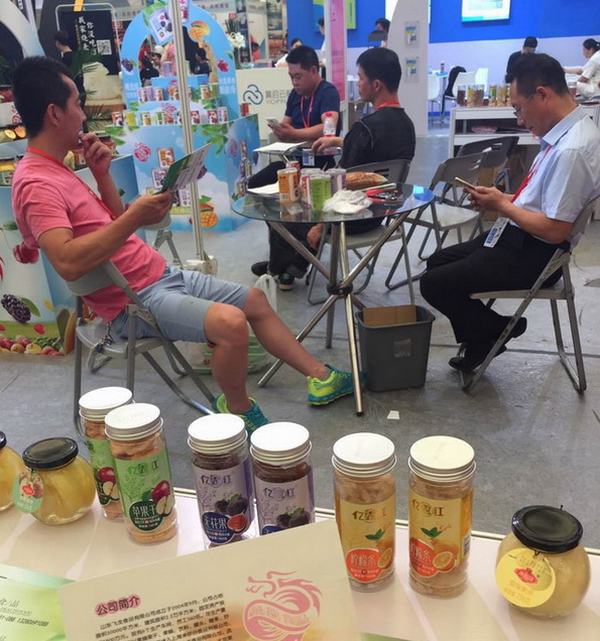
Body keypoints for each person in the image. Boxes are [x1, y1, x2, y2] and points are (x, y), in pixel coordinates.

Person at [10, 56, 356, 433]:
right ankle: (237, 411)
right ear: (54, 113)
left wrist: (102, 176)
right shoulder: (37, 183)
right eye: (77, 104)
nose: (82, 115)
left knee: (255, 300)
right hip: (133, 304)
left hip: (157, 276)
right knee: (231, 325)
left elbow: (110, 224)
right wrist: (134, 217)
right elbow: (67, 261)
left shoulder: (58, 170)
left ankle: (320, 376)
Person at [420, 53, 600, 374]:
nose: (519, 120)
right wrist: (500, 199)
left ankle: (494, 330)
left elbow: (555, 230)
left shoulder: (572, 149)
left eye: (518, 108)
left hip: (536, 254)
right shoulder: (564, 136)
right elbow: (543, 201)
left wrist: (503, 205)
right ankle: (485, 333)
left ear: (541, 95)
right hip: (518, 237)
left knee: (433, 283)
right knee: (436, 263)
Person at [251, 48, 416, 290]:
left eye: (360, 78)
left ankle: (279, 268)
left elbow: (340, 187)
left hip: (347, 219)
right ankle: (292, 265)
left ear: (376, 84)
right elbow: (376, 156)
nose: (357, 83)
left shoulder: (364, 127)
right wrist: (342, 141)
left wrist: (321, 226)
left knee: (282, 206)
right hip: (381, 214)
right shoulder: (407, 126)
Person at [247, 44, 340, 191]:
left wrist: (295, 134)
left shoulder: (328, 92)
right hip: (294, 163)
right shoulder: (295, 95)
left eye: (298, 76)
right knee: (254, 183)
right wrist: (281, 131)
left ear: (313, 71)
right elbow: (286, 124)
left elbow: (328, 127)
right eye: (291, 77)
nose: (294, 82)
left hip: (322, 166)